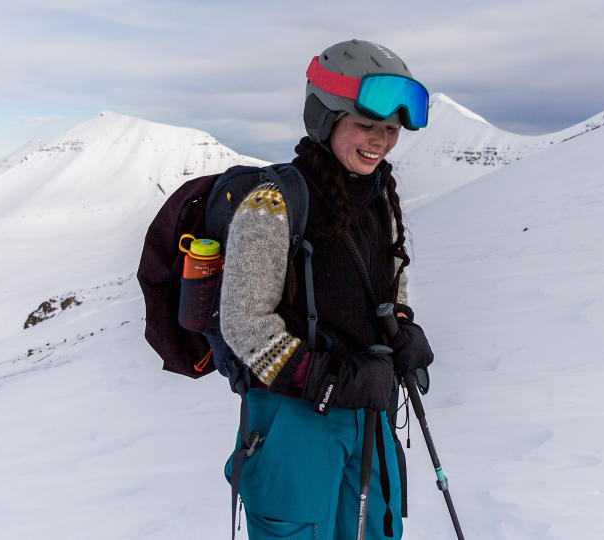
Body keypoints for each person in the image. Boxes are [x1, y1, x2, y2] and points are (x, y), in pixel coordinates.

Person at [219, 39, 435, 539]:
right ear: (326, 117)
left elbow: (389, 282)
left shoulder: (379, 199)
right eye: (366, 125)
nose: (379, 140)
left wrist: (402, 327)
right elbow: (243, 322)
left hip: (369, 412)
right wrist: (326, 379)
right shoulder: (275, 203)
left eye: (390, 129)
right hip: (294, 420)